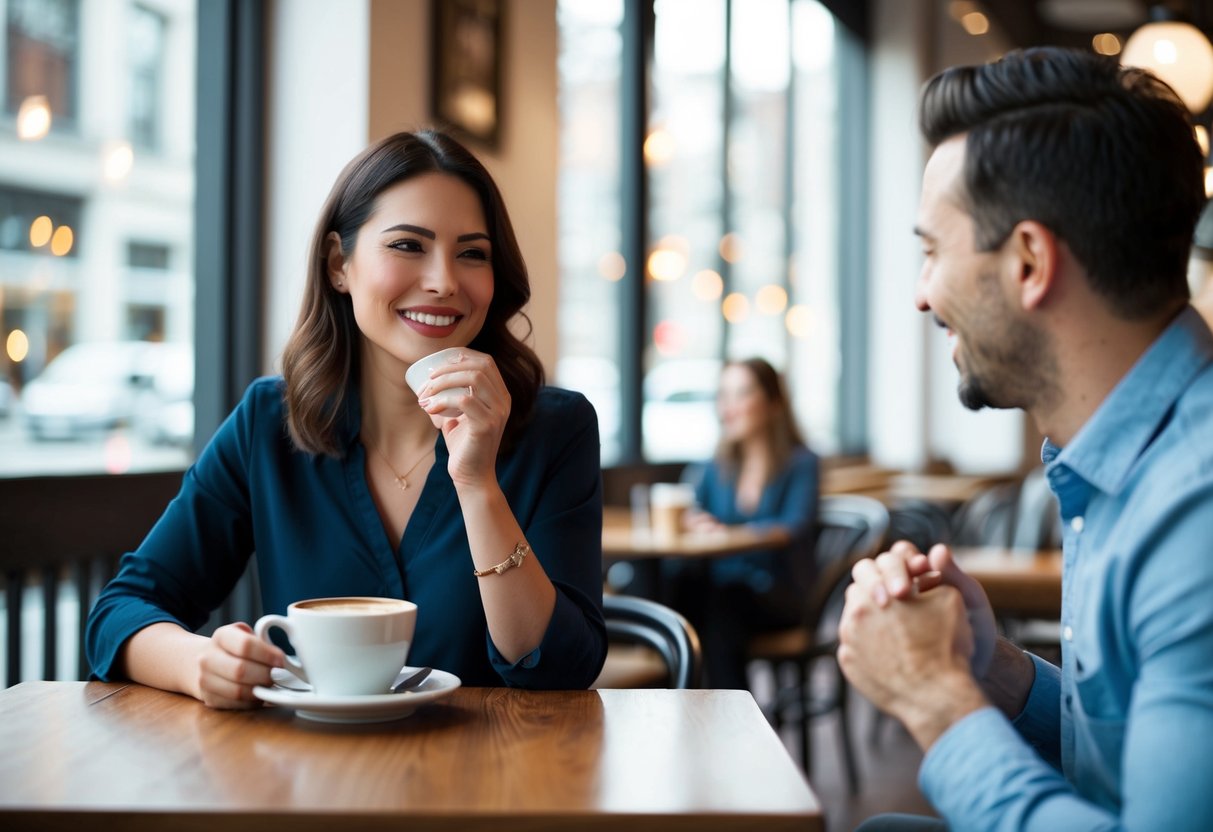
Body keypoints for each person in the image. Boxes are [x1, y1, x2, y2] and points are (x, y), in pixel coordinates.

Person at [85, 130, 607, 707]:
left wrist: (477, 483)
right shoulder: (267, 422)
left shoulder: (556, 429)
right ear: (339, 264)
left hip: (491, 781)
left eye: (472, 253)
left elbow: (561, 669)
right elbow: (119, 613)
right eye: (408, 245)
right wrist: (199, 663)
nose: (443, 281)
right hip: (310, 778)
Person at [837, 47, 1213, 831]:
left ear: (1030, 262)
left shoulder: (1196, 509)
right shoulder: (1125, 464)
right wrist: (995, 672)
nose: (920, 295)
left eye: (933, 252)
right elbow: (1119, 764)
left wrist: (935, 701)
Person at [664, 357, 819, 689]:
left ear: (774, 403)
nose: (729, 406)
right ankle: (676, 711)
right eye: (724, 395)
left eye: (742, 394)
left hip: (778, 592)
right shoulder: (714, 466)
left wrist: (731, 534)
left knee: (722, 609)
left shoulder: (801, 463)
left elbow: (795, 525)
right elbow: (694, 511)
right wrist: (695, 522)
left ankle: (730, 722)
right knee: (670, 593)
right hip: (723, 587)